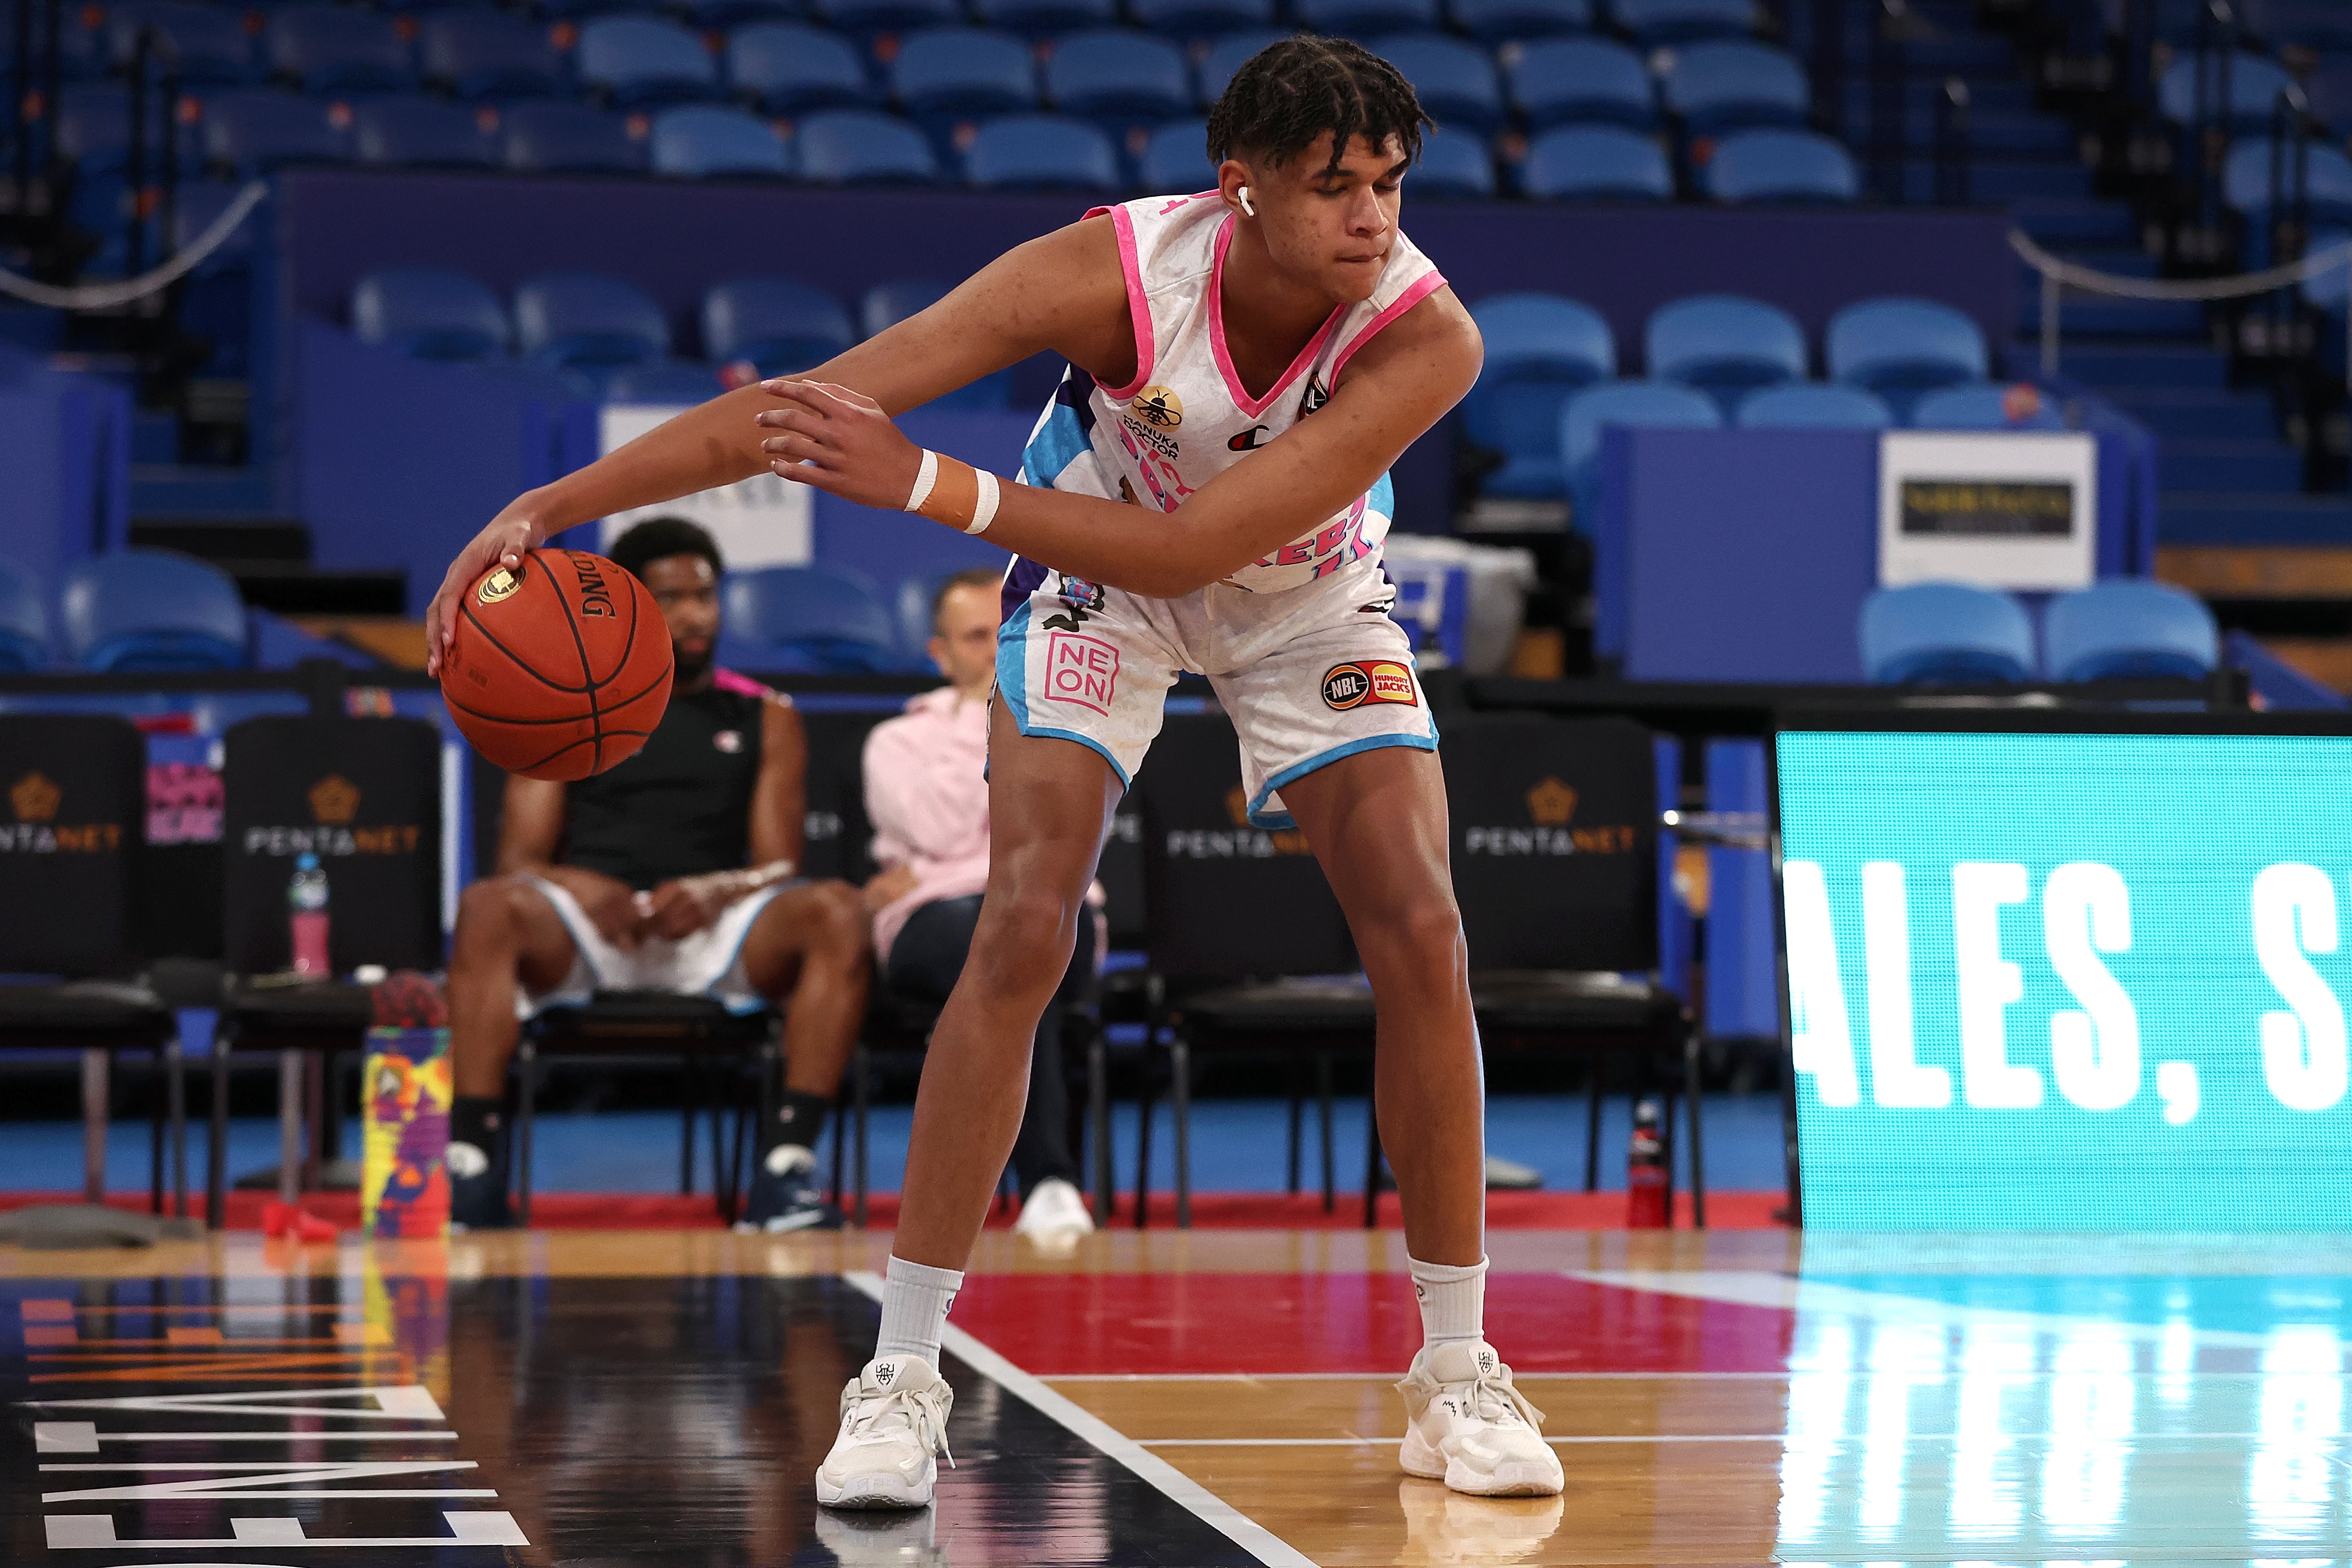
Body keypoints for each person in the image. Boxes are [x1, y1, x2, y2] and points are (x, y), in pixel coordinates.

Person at [426, 37, 1561, 1507]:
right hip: (1097, 580)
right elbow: (808, 405)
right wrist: (554, 503)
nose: (1372, 217)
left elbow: (1203, 546)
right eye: (1332, 187)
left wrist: (921, 482)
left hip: (1302, 597)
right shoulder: (1109, 277)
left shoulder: (1426, 334)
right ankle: (899, 1376)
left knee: (1421, 927)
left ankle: (1454, 1371)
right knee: (1024, 923)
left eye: (1391, 185)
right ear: (1241, 191)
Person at [441, 517, 872, 1235]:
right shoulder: (558, 700)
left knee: (835, 909)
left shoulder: (766, 714)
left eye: (706, 595)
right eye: (672, 597)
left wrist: (717, 889)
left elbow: (778, 865)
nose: (696, 614)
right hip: (592, 922)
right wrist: (583, 886)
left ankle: (785, 1170)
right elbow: (518, 863)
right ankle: (471, 1169)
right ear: (631, 606)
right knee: (488, 908)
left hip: (712, 924)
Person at [861, 567, 1098, 1250]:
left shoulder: (1073, 724)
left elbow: (1068, 832)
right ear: (940, 654)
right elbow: (937, 827)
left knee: (1031, 924)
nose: (997, 649)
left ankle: (1038, 1184)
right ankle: (1048, 1181)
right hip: (933, 922)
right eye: (976, 638)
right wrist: (991, 715)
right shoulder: (895, 741)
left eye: (1005, 632)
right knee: (1012, 936)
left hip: (1056, 911)